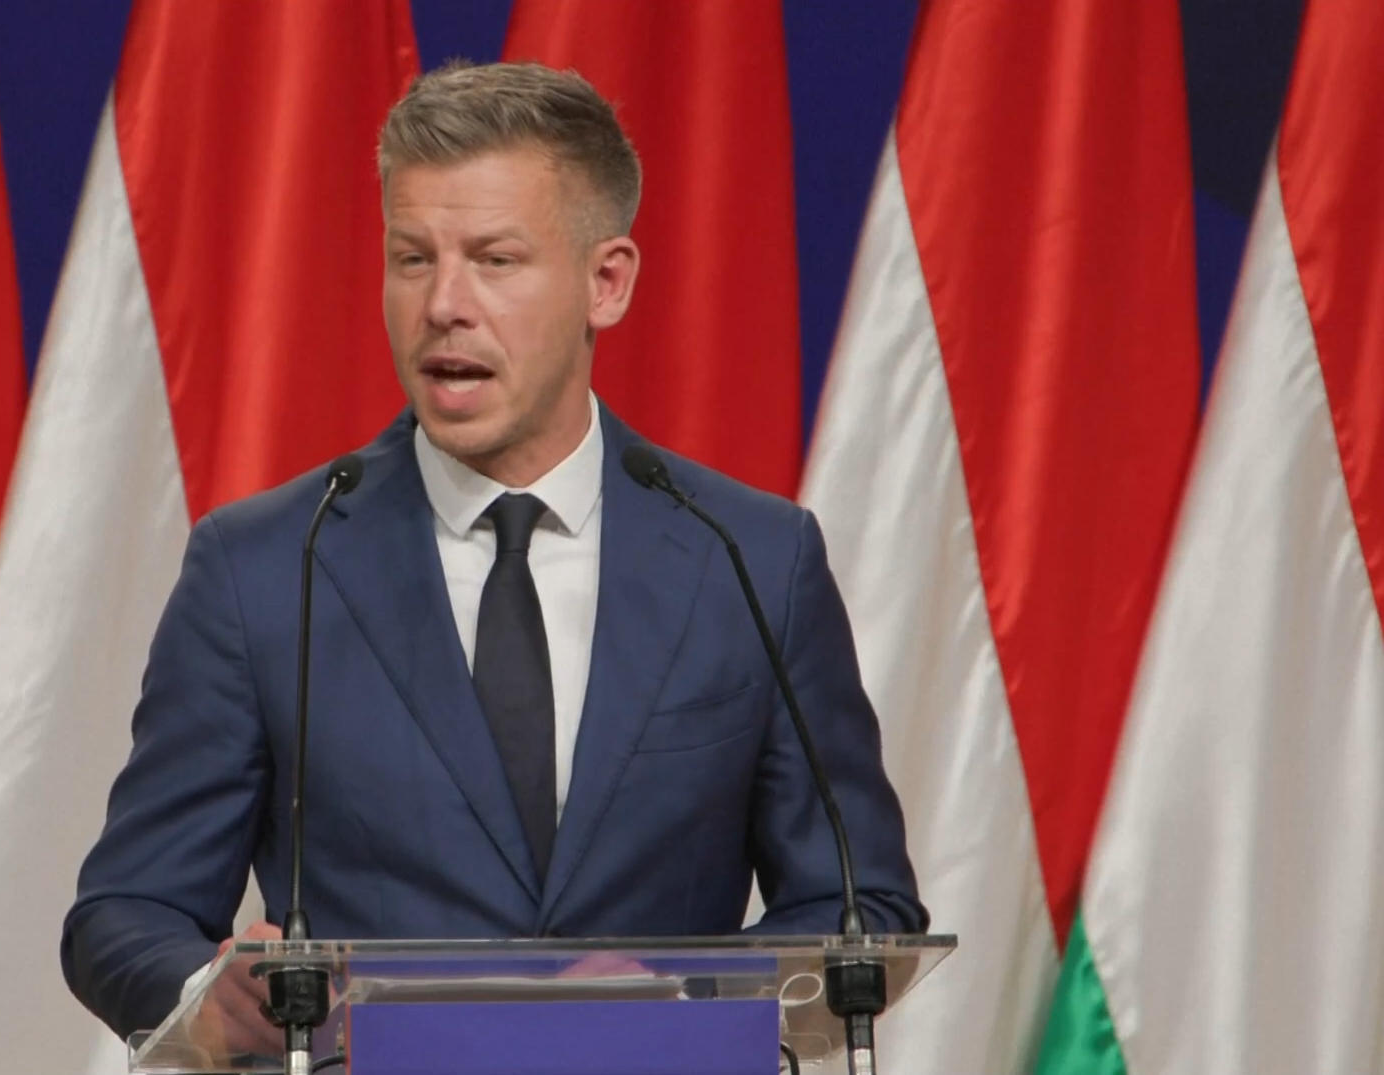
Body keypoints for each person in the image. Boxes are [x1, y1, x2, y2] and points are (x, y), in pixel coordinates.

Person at [61, 59, 926, 1049]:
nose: (443, 303)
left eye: (495, 259)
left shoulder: (751, 559)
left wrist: (676, 1005)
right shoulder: (263, 568)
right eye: (412, 257)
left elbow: (860, 909)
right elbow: (124, 912)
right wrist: (205, 994)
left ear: (606, 282)